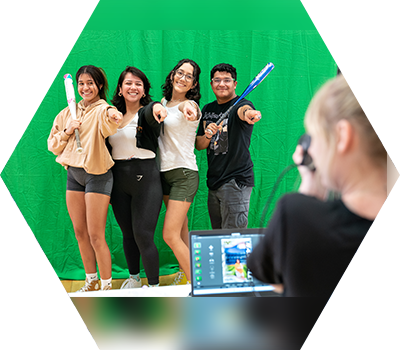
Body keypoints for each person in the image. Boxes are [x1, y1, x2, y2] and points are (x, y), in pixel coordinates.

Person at [247, 66, 387, 298]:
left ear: (342, 136)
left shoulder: (297, 216)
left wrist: (310, 189)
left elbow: (270, 274)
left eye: (315, 135)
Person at [48, 65, 122, 292]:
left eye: (90, 83)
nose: (85, 87)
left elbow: (110, 123)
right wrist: (68, 130)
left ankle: (107, 285)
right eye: (81, 83)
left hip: (97, 175)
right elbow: (53, 145)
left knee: (95, 234)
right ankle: (91, 280)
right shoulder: (66, 113)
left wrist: (113, 115)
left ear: (99, 85)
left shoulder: (103, 109)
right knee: (80, 232)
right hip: (74, 175)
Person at [108, 66, 167, 289]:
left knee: (143, 233)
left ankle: (153, 286)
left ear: (144, 90)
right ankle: (134, 278)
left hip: (146, 177)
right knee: (128, 233)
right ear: (121, 89)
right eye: (128, 83)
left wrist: (158, 108)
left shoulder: (149, 111)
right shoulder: (111, 114)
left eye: (138, 84)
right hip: (118, 179)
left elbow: (155, 111)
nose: (133, 87)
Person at [195, 63, 262, 229]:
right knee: (218, 238)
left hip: (235, 181)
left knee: (233, 241)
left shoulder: (242, 104)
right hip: (214, 182)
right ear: (211, 84)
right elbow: (199, 145)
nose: (222, 84)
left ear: (235, 84)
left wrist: (250, 115)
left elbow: (244, 111)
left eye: (227, 80)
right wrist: (207, 135)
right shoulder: (207, 109)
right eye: (217, 80)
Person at [158, 59, 202, 283]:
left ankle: (199, 285)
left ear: (194, 84)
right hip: (164, 175)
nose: (182, 78)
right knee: (182, 231)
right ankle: (187, 274)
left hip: (184, 174)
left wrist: (189, 111)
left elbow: (189, 109)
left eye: (188, 76)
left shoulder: (191, 105)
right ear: (173, 74)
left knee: (170, 234)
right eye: (180, 73)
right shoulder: (163, 103)